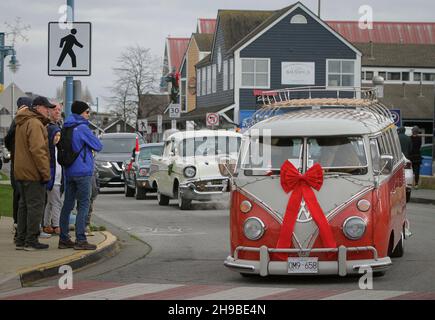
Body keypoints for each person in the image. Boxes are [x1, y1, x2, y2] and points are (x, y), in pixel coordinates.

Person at [58, 101, 102, 250]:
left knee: (67, 205)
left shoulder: (66, 126)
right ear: (81, 112)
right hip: (83, 172)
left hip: (69, 171)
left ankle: (63, 238)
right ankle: (80, 239)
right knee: (83, 205)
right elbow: (98, 145)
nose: (88, 115)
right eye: (87, 112)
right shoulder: (82, 127)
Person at [14, 96, 55, 251]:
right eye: (46, 108)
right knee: (35, 206)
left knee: (24, 206)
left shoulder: (22, 121)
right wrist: (45, 173)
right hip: (33, 173)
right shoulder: (35, 123)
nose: (48, 111)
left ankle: (21, 239)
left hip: (21, 171)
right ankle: (31, 240)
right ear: (38, 107)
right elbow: (39, 151)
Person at [4, 97, 33, 242]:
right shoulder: (17, 122)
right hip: (19, 163)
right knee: (20, 195)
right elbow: (8, 140)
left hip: (20, 162)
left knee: (21, 195)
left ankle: (20, 226)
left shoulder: (22, 121)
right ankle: (19, 225)